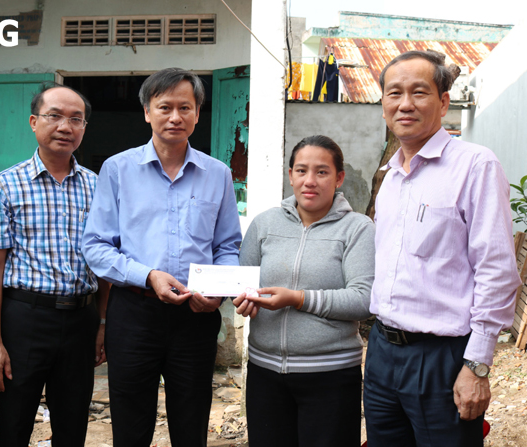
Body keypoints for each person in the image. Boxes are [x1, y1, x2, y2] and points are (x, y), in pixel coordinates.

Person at [363, 50, 521, 446]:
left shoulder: (475, 165)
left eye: (419, 92)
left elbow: (497, 269)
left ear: (444, 102)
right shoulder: (391, 177)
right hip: (383, 353)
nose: (405, 104)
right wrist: (375, 351)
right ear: (383, 104)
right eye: (393, 93)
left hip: (442, 358)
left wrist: (478, 365)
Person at [81, 67, 242, 447]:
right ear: (147, 112)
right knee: (131, 422)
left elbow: (227, 246)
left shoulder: (217, 173)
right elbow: (96, 246)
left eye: (184, 107)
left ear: (197, 113)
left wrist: (219, 289)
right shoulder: (117, 169)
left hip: (196, 316)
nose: (174, 117)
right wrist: (148, 275)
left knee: (191, 420)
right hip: (135, 313)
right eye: (164, 107)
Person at [0, 83, 108, 447]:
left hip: (81, 318)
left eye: (76, 119)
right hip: (25, 318)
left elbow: (103, 262)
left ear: (83, 129)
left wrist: (101, 322)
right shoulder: (5, 185)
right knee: (14, 424)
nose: (65, 126)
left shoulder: (96, 187)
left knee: (72, 424)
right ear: (34, 122)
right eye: (54, 116)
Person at [233, 135, 375, 447]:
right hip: (265, 373)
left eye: (322, 172)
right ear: (290, 175)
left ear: (339, 178)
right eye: (301, 170)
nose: (310, 181)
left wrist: (298, 299)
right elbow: (244, 281)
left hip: (330, 375)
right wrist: (243, 299)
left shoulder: (357, 229)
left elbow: (364, 299)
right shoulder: (265, 224)